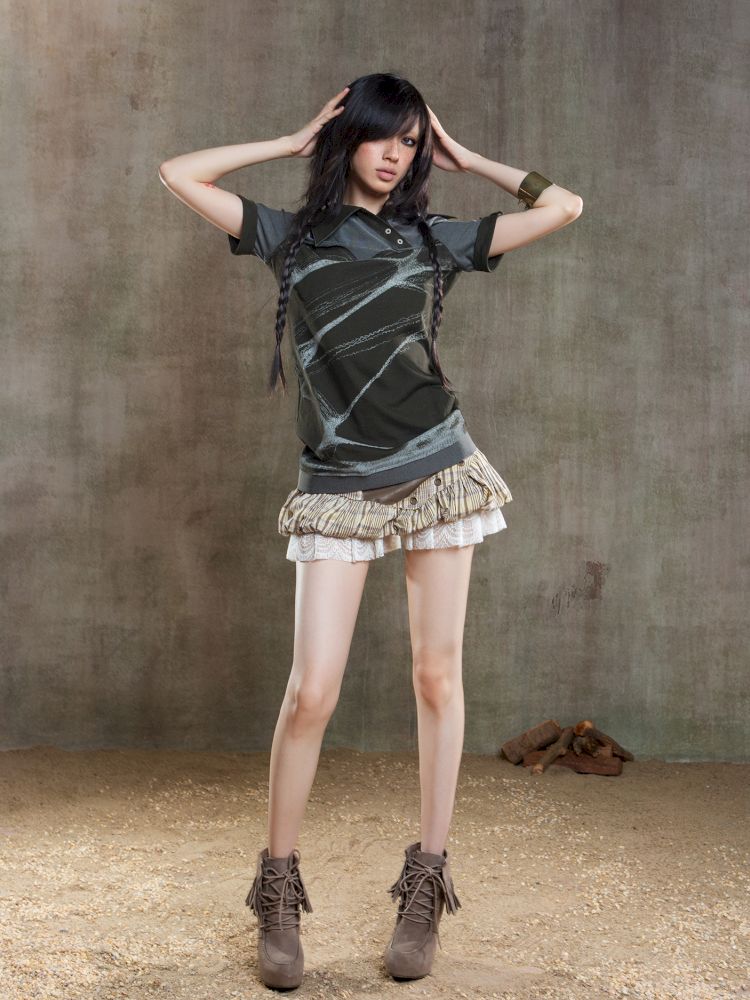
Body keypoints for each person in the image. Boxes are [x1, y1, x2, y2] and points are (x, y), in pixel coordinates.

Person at [158, 72, 582, 990]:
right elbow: (179, 173)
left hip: (438, 470)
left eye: (412, 143)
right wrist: (288, 141)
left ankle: (425, 886)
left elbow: (565, 207)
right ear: (346, 136)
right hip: (338, 483)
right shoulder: (289, 237)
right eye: (384, 135)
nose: (397, 155)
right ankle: (277, 892)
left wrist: (470, 158)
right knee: (311, 691)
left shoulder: (431, 238)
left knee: (436, 677)